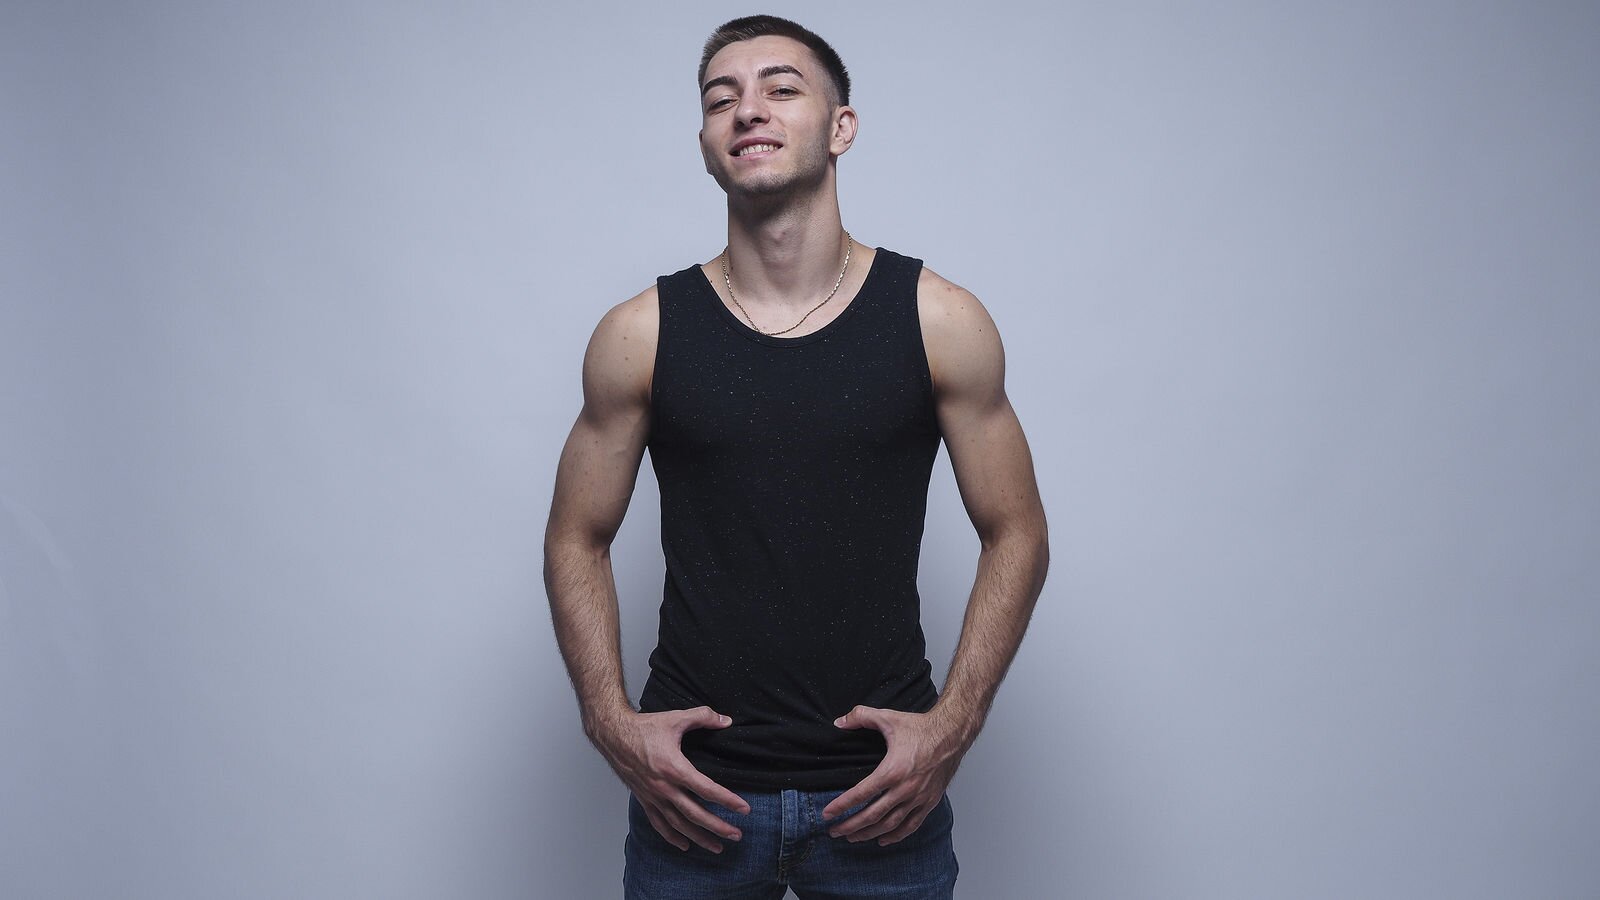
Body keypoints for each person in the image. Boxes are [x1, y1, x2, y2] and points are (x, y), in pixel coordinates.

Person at [543, 14, 1049, 899]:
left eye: (781, 89)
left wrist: (953, 727)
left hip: (881, 799)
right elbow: (575, 536)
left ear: (840, 127)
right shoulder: (639, 333)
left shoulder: (939, 319)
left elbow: (1018, 531)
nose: (748, 110)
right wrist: (609, 722)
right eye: (721, 100)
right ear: (706, 144)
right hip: (695, 801)